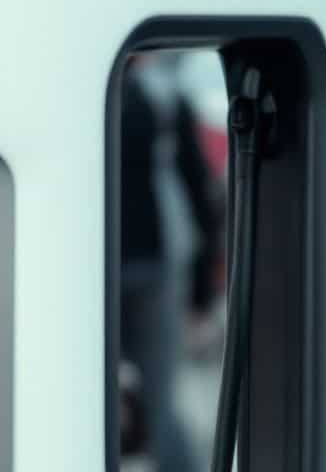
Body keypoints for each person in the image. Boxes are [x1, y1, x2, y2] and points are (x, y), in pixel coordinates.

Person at [120, 54, 221, 470]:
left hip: (151, 267)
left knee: (153, 401)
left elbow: (197, 188)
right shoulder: (161, 94)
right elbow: (198, 190)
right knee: (151, 400)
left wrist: (202, 288)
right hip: (142, 265)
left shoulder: (161, 94)